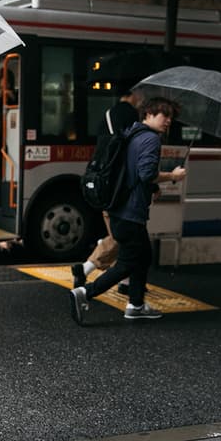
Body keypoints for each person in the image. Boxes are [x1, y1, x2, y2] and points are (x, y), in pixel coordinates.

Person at [69, 97, 186, 323]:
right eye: (164, 115)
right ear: (149, 114)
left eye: (171, 117)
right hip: (130, 212)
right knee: (128, 262)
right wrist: (173, 176)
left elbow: (132, 172)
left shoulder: (132, 133)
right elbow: (146, 173)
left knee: (143, 257)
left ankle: (135, 305)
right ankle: (85, 293)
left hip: (119, 209)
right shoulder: (151, 139)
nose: (168, 121)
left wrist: (151, 187)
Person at [72, 87, 144, 293]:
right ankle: (86, 276)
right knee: (125, 237)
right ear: (134, 93)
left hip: (105, 183)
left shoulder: (107, 114)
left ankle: (125, 283)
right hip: (120, 188)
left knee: (122, 236)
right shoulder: (130, 114)